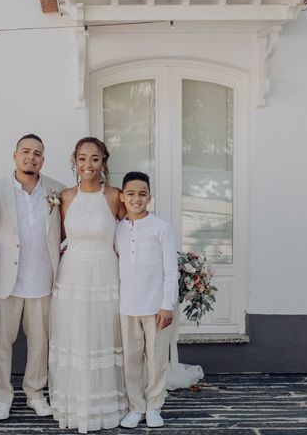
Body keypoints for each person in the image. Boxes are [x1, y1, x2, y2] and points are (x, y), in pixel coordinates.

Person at [49, 137, 127, 434]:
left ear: (103, 163)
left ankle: (105, 405)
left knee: (103, 337)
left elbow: (134, 232)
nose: (88, 165)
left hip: (105, 274)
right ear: (75, 162)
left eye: (95, 159)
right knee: (76, 337)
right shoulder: (65, 197)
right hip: (73, 277)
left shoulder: (114, 196)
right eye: (82, 158)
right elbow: (52, 240)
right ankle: (77, 404)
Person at [0, 134, 65, 420]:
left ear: (43, 159)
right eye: (26, 152)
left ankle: (35, 393)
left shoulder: (58, 190)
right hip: (6, 281)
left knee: (40, 343)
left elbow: (69, 232)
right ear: (15, 155)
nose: (31, 157)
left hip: (43, 280)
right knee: (1, 343)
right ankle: (3, 397)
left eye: (37, 153)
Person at [115, 172, 178, 429]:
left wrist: (167, 304)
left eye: (142, 194)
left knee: (156, 360)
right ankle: (135, 407)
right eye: (131, 193)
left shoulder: (161, 228)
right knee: (131, 361)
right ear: (122, 196)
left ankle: (154, 406)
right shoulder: (117, 229)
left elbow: (170, 269)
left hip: (155, 308)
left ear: (149, 197)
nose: (136, 198)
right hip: (127, 307)